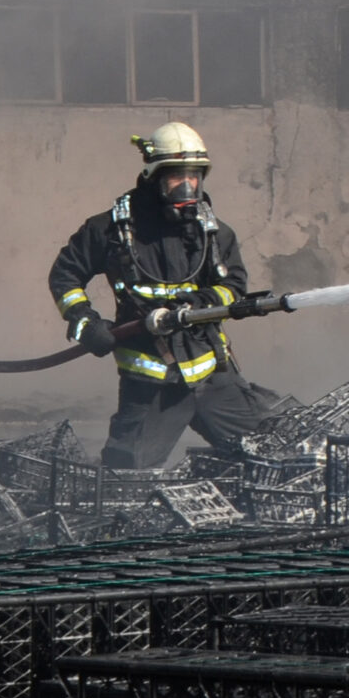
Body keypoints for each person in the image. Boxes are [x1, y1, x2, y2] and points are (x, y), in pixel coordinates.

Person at [49, 123, 281, 468]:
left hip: (212, 374)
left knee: (272, 455)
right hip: (150, 386)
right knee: (125, 478)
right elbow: (65, 274)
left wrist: (200, 304)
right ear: (152, 176)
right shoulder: (111, 230)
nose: (188, 186)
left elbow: (233, 286)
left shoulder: (214, 234)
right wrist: (84, 321)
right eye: (176, 177)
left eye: (195, 176)